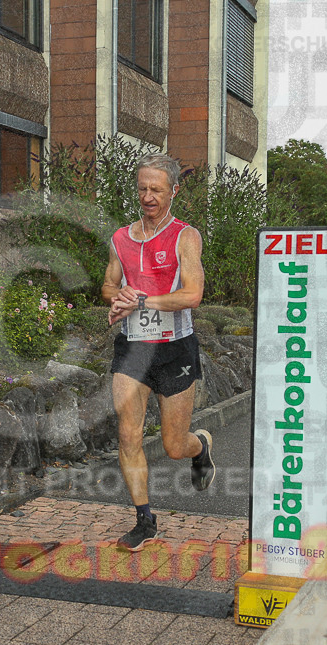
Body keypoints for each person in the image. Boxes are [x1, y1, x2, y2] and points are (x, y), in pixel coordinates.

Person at [102, 153, 214, 551]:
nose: (148, 197)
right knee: (128, 433)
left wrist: (142, 301)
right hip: (133, 347)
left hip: (175, 349)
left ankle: (200, 446)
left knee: (173, 444)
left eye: (156, 190)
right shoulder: (120, 238)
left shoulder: (186, 236)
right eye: (142, 189)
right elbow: (108, 285)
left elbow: (193, 294)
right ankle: (144, 520)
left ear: (173, 191)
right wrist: (120, 296)